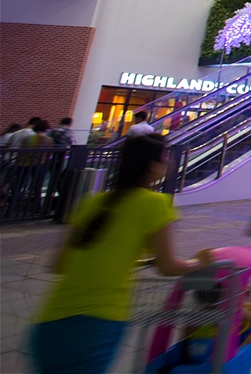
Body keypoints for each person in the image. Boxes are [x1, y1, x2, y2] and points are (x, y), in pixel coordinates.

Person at [30, 135, 211, 374]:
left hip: (48, 325)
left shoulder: (91, 202)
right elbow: (167, 267)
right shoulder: (155, 203)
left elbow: (59, 265)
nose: (169, 161)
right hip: (96, 325)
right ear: (153, 166)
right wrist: (200, 264)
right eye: (166, 156)